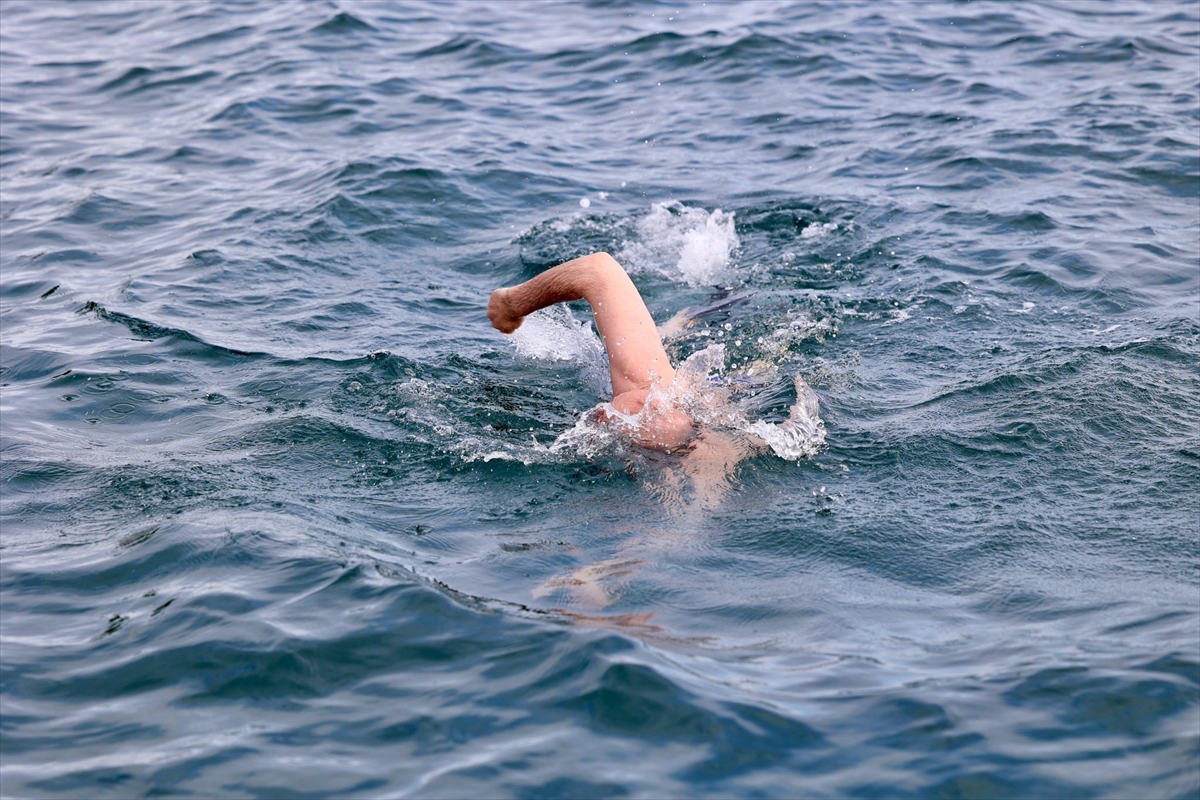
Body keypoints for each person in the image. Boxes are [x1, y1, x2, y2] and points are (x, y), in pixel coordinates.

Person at [488, 251, 697, 453]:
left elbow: (598, 270)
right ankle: (676, 327)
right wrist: (513, 304)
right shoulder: (656, 387)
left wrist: (510, 305)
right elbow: (597, 271)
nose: (601, 411)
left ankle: (674, 328)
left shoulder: (651, 394)